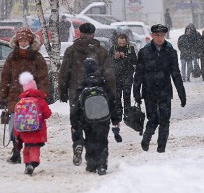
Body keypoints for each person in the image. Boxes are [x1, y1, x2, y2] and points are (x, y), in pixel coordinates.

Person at [59, 22, 116, 166]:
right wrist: (111, 93)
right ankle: (95, 150)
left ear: (79, 33)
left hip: (76, 92)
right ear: (93, 34)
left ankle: (78, 142)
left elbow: (64, 72)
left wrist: (63, 91)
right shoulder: (101, 51)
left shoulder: (71, 51)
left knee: (77, 121)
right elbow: (109, 74)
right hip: (97, 94)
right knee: (95, 123)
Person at [0, 27, 50, 164]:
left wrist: (42, 94)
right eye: (20, 40)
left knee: (30, 125)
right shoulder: (12, 57)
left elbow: (43, 78)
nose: (23, 42)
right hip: (14, 96)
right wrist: (3, 93)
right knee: (14, 125)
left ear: (30, 40)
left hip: (33, 97)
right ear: (17, 41)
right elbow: (5, 77)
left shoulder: (37, 58)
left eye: (25, 40)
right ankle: (16, 151)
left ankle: (30, 150)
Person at [133, 24, 186, 153]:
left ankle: (161, 147)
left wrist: (181, 93)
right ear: (152, 36)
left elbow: (176, 73)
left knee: (165, 120)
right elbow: (139, 74)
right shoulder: (144, 52)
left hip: (165, 91)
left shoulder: (170, 52)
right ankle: (147, 137)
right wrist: (136, 92)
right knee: (153, 119)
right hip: (149, 91)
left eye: (162, 35)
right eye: (157, 35)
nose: (160, 38)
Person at [70, 58, 121, 175]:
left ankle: (92, 164)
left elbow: (75, 108)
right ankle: (102, 165)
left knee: (90, 141)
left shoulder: (81, 87)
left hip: (87, 120)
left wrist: (74, 124)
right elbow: (112, 103)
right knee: (102, 141)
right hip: (103, 119)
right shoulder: (103, 85)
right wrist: (115, 119)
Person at [13, 72, 52, 175]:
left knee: (27, 148)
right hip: (37, 130)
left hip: (24, 131)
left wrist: (17, 134)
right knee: (34, 148)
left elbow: (17, 119)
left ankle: (27, 164)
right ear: (35, 88)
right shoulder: (40, 100)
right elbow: (47, 114)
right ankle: (33, 163)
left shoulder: (20, 103)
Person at [109, 33, 137, 124]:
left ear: (126, 42)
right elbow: (107, 61)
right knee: (117, 96)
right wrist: (114, 57)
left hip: (127, 75)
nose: (121, 45)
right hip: (116, 76)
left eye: (123, 43)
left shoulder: (130, 49)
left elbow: (135, 61)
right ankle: (119, 112)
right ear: (117, 42)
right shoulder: (112, 49)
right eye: (120, 43)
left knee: (127, 95)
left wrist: (125, 57)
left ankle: (127, 114)